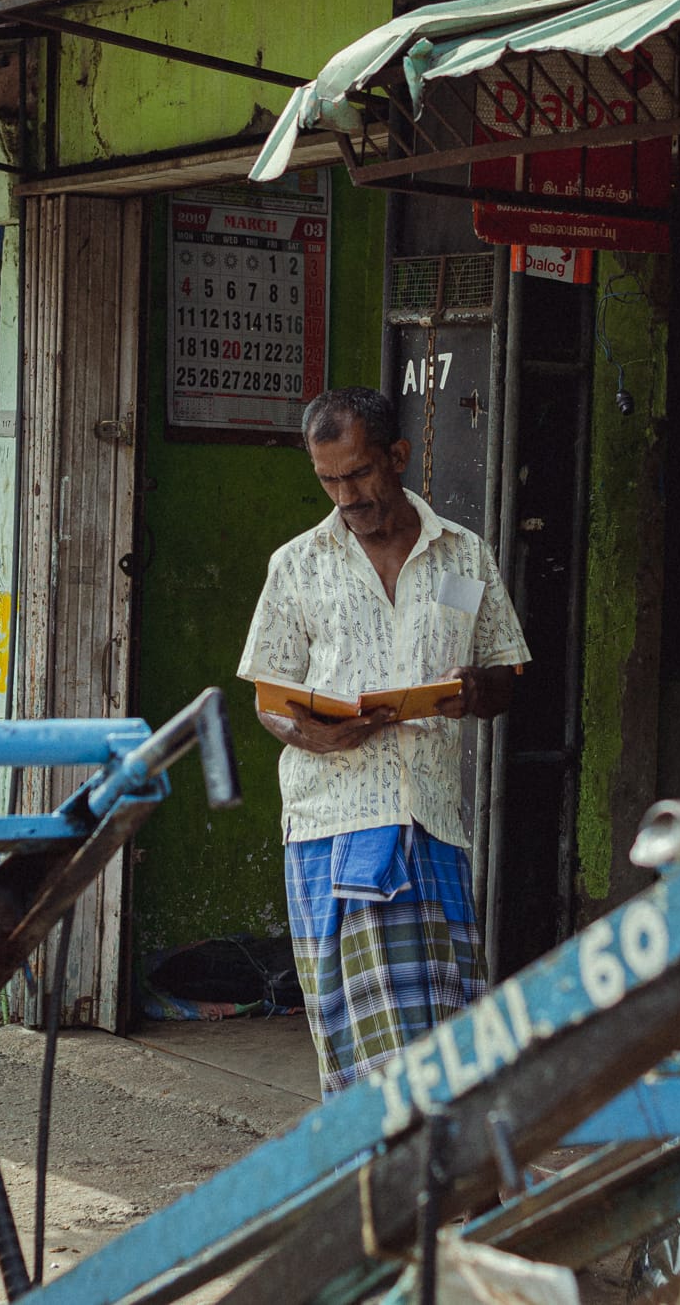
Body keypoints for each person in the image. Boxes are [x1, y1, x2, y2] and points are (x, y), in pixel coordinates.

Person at [237, 386, 531, 1096]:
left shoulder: (465, 558)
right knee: (367, 1043)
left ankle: (468, 1189)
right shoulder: (298, 565)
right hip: (331, 823)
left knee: (452, 1026)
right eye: (328, 479)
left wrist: (473, 691)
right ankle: (390, 1190)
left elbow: (505, 678)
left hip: (430, 819)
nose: (346, 495)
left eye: (360, 473)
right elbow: (267, 699)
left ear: (397, 457)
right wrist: (311, 734)